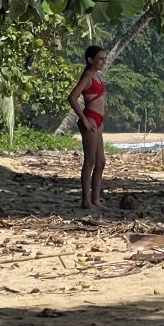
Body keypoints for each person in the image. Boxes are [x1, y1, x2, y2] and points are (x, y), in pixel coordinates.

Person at [66, 45, 108, 211]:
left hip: (98, 121)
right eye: (100, 59)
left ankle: (96, 199)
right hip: (90, 118)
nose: (103, 62)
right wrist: (83, 118)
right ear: (90, 60)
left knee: (101, 162)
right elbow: (72, 97)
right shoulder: (88, 76)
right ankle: (86, 201)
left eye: (104, 59)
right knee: (90, 161)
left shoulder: (96, 76)